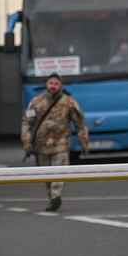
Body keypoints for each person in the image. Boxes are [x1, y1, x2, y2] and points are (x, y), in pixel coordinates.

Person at [21, 72, 88, 212]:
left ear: (61, 86)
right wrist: (26, 142)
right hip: (42, 146)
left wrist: (84, 141)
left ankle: (56, 196)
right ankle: (52, 198)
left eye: (56, 84)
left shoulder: (69, 103)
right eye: (51, 83)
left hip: (61, 145)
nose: (53, 86)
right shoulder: (36, 103)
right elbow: (27, 123)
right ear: (46, 84)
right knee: (47, 176)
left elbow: (80, 123)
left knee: (58, 171)